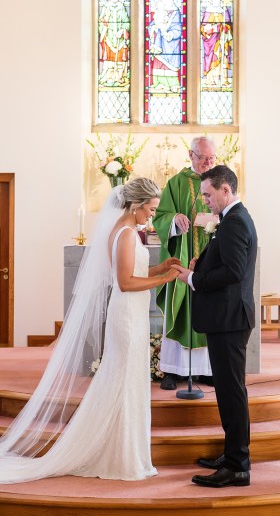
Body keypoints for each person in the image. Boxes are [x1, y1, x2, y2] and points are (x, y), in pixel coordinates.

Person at [0, 178, 180, 483]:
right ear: (136, 205)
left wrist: (160, 269)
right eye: (149, 209)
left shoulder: (128, 232)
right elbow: (125, 283)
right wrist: (165, 280)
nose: (151, 215)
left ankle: (124, 452)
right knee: (122, 382)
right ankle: (118, 457)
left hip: (133, 315)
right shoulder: (124, 234)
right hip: (126, 317)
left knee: (129, 382)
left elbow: (133, 273)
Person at [176, 165, 257, 488]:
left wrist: (194, 278)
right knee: (227, 390)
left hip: (229, 319)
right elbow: (227, 263)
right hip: (227, 318)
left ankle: (238, 465)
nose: (205, 200)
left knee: (232, 392)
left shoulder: (234, 222)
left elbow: (234, 272)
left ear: (226, 190)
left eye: (208, 195)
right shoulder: (233, 219)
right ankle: (232, 453)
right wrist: (205, 262)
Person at [153, 136, 216, 390]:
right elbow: (160, 216)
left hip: (209, 261)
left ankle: (205, 370)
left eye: (211, 158)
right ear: (191, 155)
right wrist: (175, 218)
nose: (207, 163)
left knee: (209, 311)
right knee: (180, 311)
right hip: (182, 259)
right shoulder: (176, 183)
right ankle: (172, 370)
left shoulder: (220, 181)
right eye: (203, 158)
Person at [148, 0, 182, 93]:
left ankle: (172, 84)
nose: (165, 2)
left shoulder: (176, 13)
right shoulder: (160, 11)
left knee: (170, 64)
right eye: (164, 0)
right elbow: (152, 24)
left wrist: (170, 34)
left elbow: (178, 28)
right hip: (158, 43)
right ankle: (159, 83)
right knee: (158, 63)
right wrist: (153, 27)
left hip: (171, 44)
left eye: (167, 0)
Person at [200, 0, 233, 89]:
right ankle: (211, 80)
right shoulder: (208, 11)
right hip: (210, 41)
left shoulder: (224, 10)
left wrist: (223, 27)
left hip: (222, 40)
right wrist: (206, 29)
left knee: (223, 57)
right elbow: (202, 27)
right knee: (211, 57)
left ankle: (223, 79)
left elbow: (228, 26)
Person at [99, 0, 130, 88]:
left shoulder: (122, 7)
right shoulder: (106, 7)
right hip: (109, 38)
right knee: (109, 59)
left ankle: (119, 77)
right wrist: (104, 23)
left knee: (121, 58)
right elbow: (100, 21)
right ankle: (108, 77)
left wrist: (122, 30)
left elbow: (127, 22)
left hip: (120, 40)